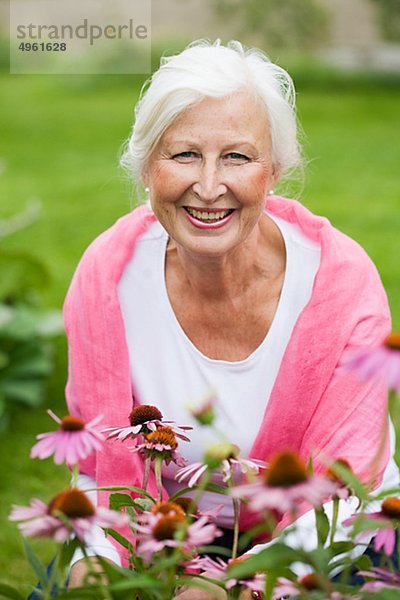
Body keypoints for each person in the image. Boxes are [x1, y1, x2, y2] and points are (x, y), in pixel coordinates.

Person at [64, 40, 396, 598]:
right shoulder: (108, 277)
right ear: (147, 166)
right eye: (184, 154)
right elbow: (99, 462)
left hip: (332, 539)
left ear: (274, 171)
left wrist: (238, 586)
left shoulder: (341, 286)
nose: (210, 186)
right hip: (164, 534)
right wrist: (98, 559)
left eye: (237, 157)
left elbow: (346, 487)